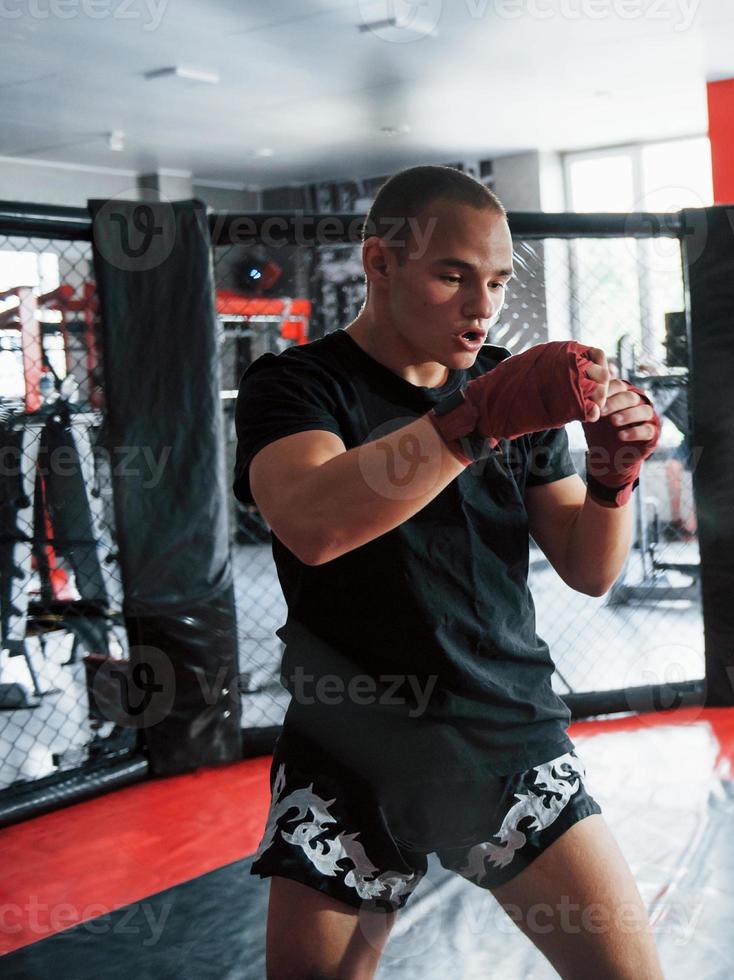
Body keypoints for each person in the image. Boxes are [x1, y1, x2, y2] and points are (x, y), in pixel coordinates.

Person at [232, 165, 666, 979]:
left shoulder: (507, 390)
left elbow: (588, 568)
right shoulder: (298, 386)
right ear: (379, 264)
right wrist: (475, 419)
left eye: (497, 281)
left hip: (503, 734)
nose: (482, 305)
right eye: (452, 276)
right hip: (346, 749)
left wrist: (612, 481)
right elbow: (314, 522)